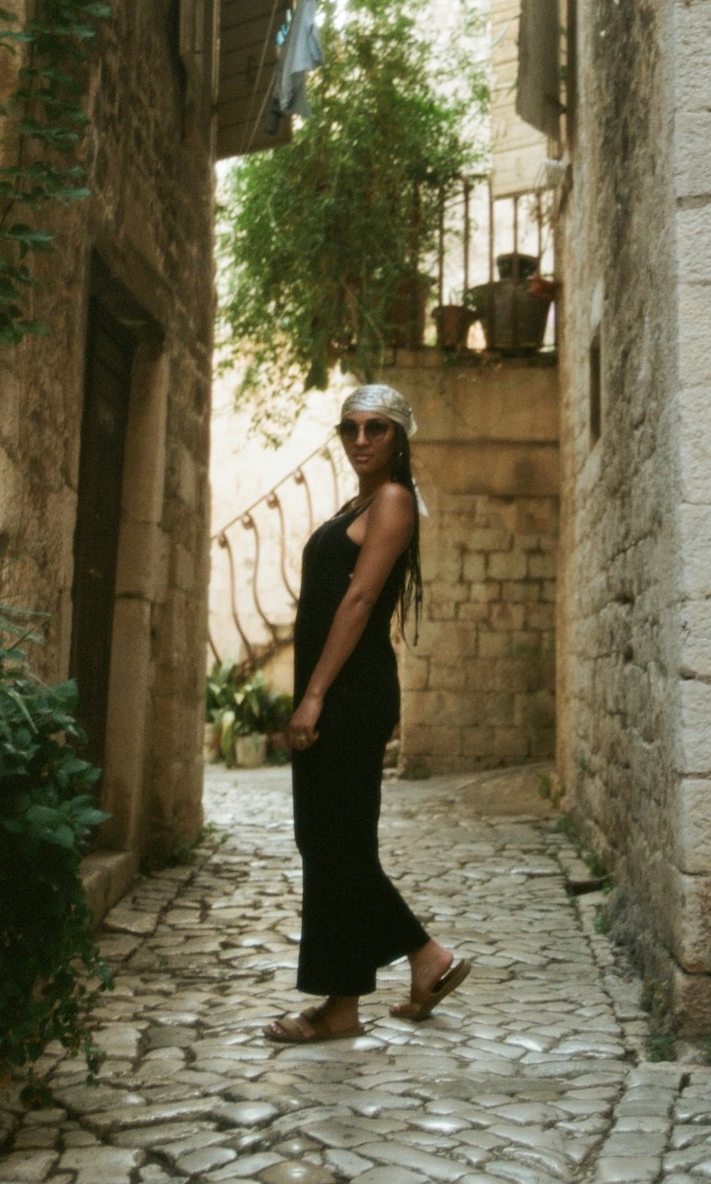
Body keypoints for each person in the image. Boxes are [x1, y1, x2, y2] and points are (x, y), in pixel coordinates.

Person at [264, 383, 471, 1044]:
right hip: (336, 688)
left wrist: (316, 694)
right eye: (351, 428)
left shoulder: (394, 501)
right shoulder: (361, 500)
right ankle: (421, 959)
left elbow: (357, 603)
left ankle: (346, 1003)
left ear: (399, 437)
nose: (361, 440)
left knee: (336, 841)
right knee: (329, 840)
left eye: (376, 428)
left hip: (352, 694)